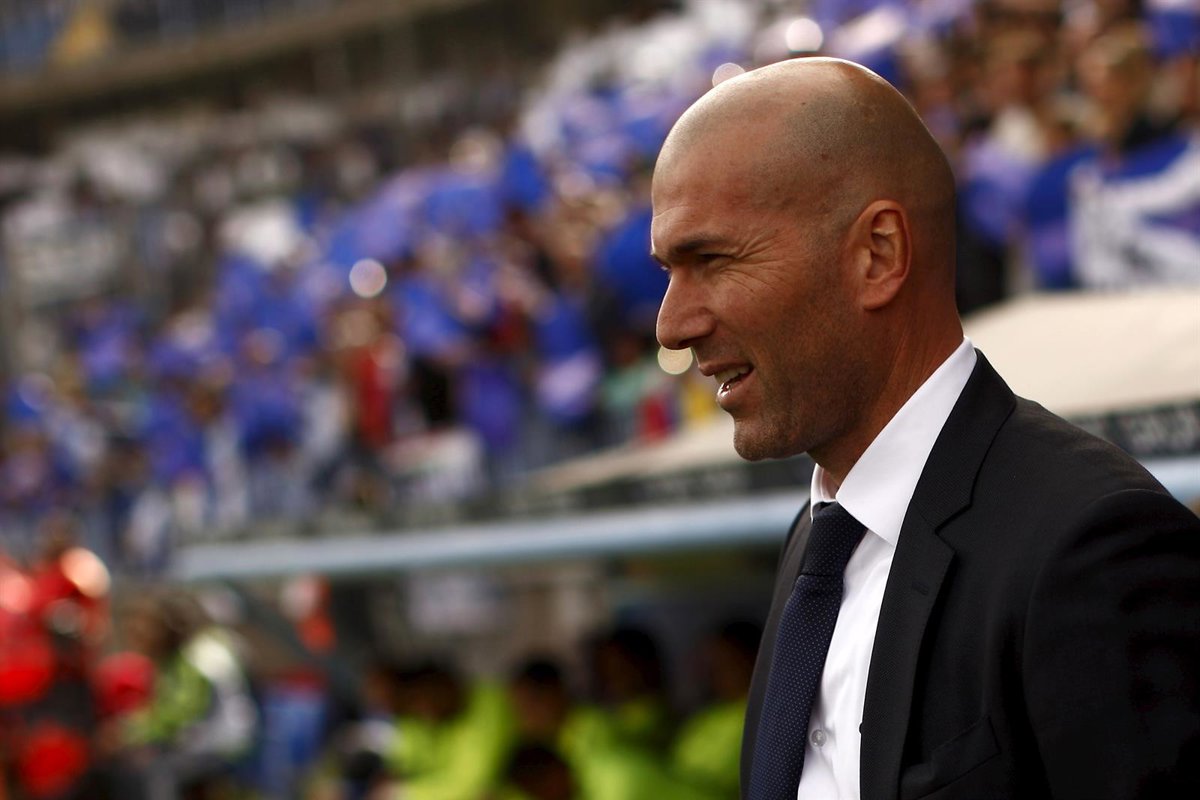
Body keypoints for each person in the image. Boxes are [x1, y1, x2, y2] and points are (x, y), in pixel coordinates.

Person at [651, 56, 1200, 799]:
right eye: (668, 272)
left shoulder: (1090, 544)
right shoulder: (815, 544)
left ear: (878, 253)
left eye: (712, 260)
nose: (672, 325)